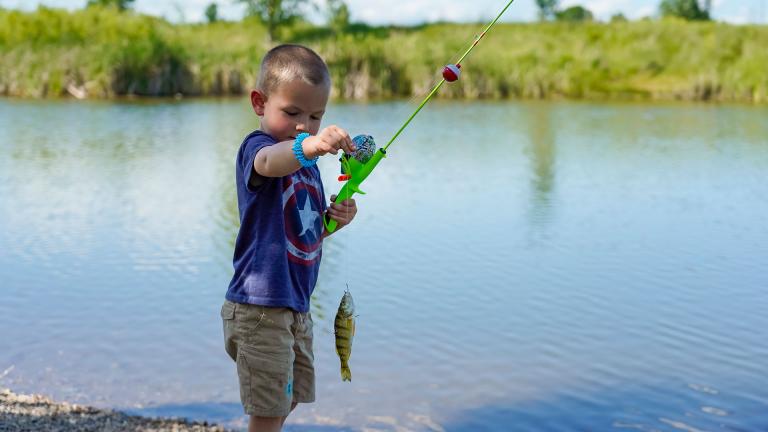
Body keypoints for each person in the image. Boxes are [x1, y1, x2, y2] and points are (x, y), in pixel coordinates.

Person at [221, 44, 358, 432]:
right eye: (292, 113)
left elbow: (305, 234)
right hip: (259, 307)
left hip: (295, 306)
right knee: (268, 410)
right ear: (259, 103)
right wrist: (309, 146)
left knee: (289, 396)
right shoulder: (258, 148)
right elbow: (271, 162)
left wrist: (334, 223)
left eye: (315, 116)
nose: (304, 125)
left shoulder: (308, 167)